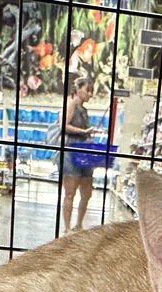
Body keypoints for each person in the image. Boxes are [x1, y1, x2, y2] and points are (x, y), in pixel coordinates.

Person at [60, 77, 97, 234]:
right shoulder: (71, 104)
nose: (90, 94)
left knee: (87, 192)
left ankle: (79, 224)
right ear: (78, 89)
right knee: (70, 192)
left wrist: (89, 134)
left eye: (92, 91)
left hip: (84, 153)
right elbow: (64, 125)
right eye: (88, 90)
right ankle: (67, 228)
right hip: (71, 152)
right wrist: (84, 132)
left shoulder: (84, 110)